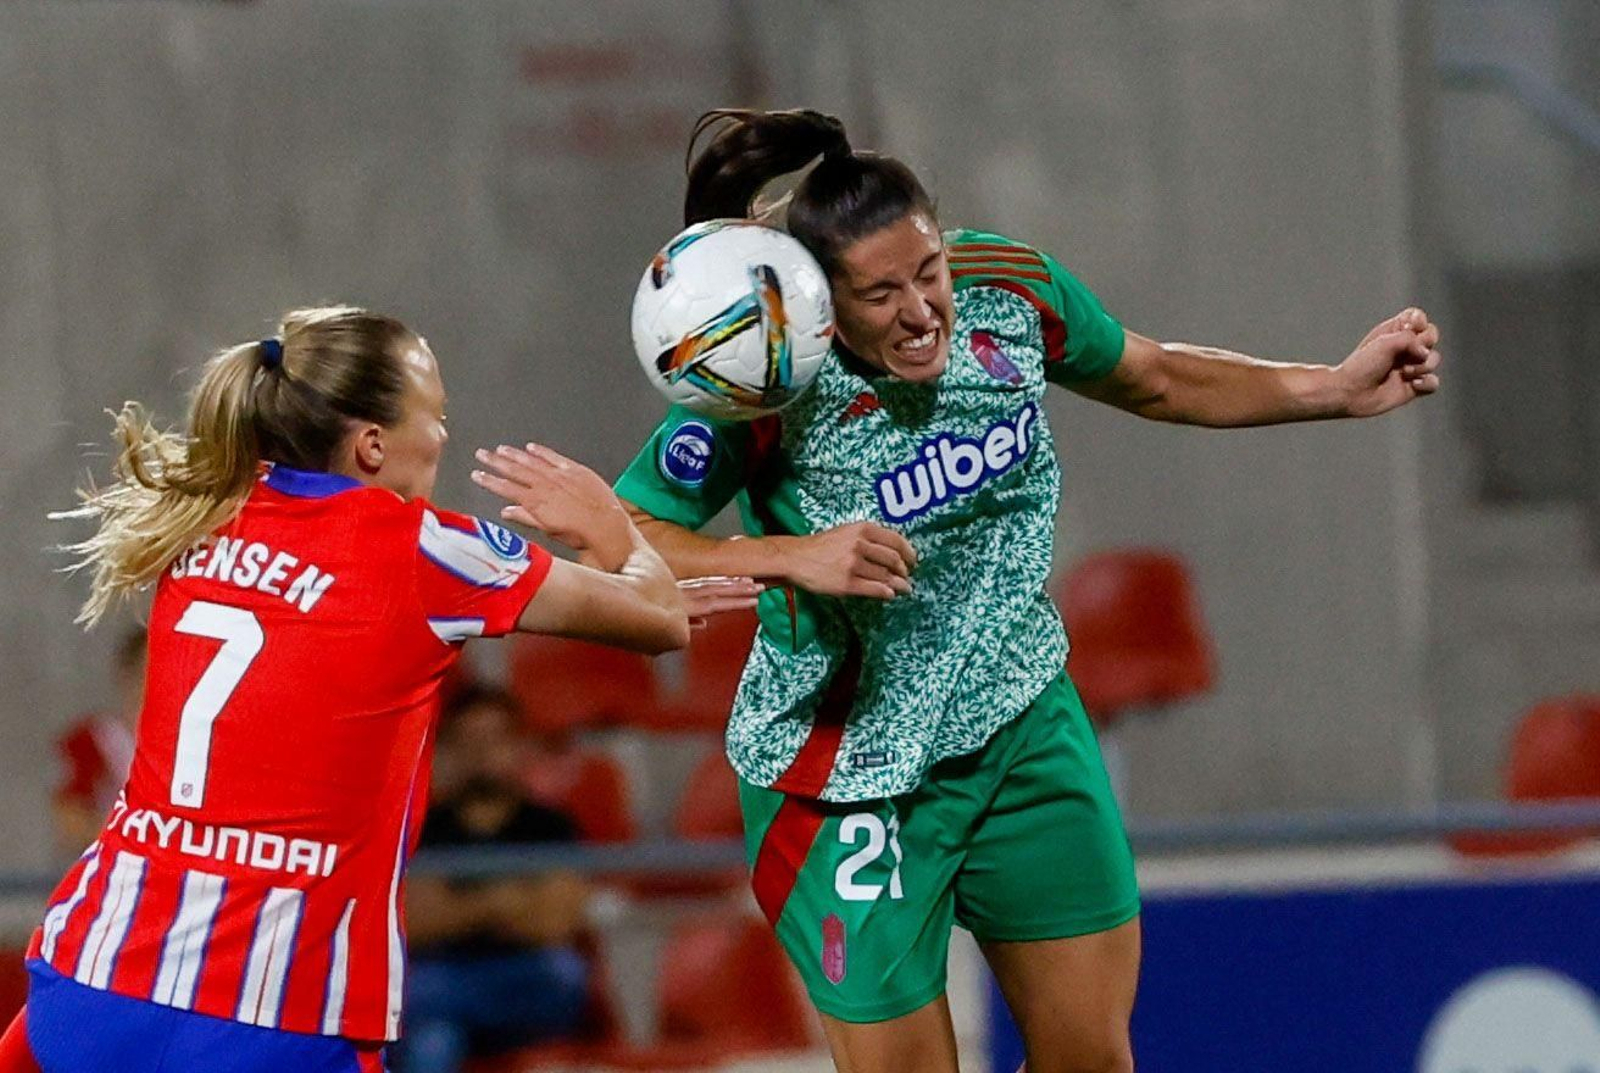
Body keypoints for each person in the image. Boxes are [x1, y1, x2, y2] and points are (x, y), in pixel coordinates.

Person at [613, 109, 1444, 1073]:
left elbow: (1159, 376)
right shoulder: (774, 376)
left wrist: (1335, 387)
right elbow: (622, 528)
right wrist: (792, 559)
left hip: (1022, 725)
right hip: (844, 774)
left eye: (927, 272)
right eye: (881, 294)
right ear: (825, 305)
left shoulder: (1010, 289)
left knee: (1092, 1057)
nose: (923, 310)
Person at [0, 305, 758, 1073]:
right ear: (371, 444)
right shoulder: (423, 546)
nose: (444, 435)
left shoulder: (206, 515)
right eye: (438, 415)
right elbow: (660, 617)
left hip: (92, 975)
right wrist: (611, 526)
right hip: (275, 1013)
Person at [397, 686, 593, 1073]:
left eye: (494, 739)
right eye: (468, 740)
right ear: (447, 749)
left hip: (527, 980)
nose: (482, 753)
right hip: (442, 978)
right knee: (430, 1032)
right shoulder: (423, 827)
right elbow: (416, 923)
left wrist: (459, 910)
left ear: (519, 746)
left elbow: (556, 922)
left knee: (564, 974)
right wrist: (503, 902)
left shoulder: (550, 826)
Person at [52, 629, 146, 858]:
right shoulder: (96, 739)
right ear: (128, 675)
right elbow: (69, 814)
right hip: (110, 869)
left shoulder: (189, 746)